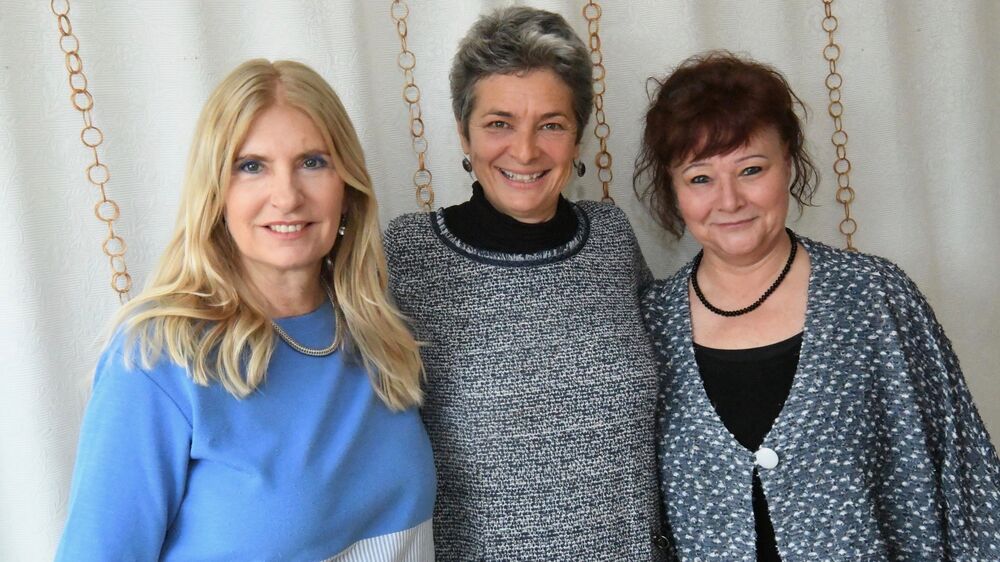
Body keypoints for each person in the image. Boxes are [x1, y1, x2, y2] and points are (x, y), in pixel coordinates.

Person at [55, 59, 435, 561]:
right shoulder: (158, 357)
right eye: (251, 166)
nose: (287, 196)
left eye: (313, 162)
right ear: (215, 193)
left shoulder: (380, 329)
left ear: (347, 188)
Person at [634, 50, 1000, 561]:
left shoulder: (874, 298)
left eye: (751, 169)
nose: (729, 200)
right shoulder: (648, 327)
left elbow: (967, 479)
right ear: (673, 191)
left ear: (789, 163)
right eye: (700, 178)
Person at [384, 6, 665, 560]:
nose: (526, 150)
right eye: (499, 123)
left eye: (551, 125)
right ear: (463, 133)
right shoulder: (409, 253)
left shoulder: (611, 236)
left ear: (578, 136)